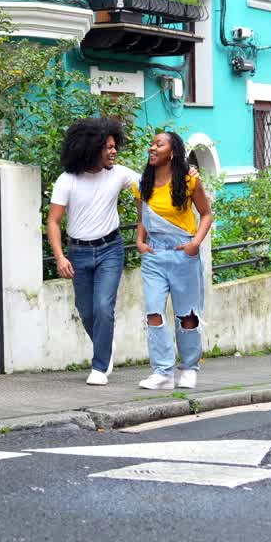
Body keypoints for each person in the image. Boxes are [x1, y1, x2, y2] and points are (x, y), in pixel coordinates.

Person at [47, 118, 140, 386]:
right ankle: (105, 347)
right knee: (86, 310)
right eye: (107, 147)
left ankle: (100, 366)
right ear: (90, 148)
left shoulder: (119, 174)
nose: (113, 151)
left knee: (103, 306)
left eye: (114, 146)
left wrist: (143, 221)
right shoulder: (67, 180)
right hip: (79, 253)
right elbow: (53, 221)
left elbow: (147, 187)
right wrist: (60, 257)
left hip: (111, 249)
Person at [133, 130, 214, 390]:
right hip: (154, 256)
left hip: (183, 253)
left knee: (187, 315)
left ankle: (189, 367)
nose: (152, 148)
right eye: (151, 143)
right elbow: (143, 216)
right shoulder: (141, 183)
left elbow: (207, 214)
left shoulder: (189, 181)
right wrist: (140, 241)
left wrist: (195, 244)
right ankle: (162, 372)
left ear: (172, 152)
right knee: (154, 312)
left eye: (159, 144)